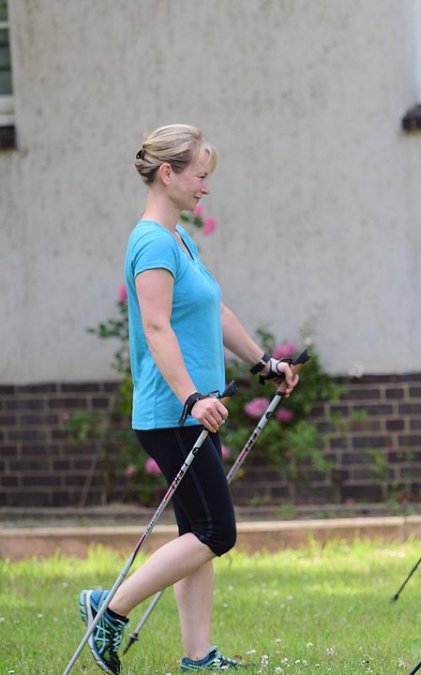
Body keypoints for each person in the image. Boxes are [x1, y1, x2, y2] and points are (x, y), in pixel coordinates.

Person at [76, 124, 300, 674]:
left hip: (193, 410)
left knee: (195, 534)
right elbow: (155, 327)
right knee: (215, 532)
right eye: (200, 175)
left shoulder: (178, 239)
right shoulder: (152, 241)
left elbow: (213, 312)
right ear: (168, 173)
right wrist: (193, 397)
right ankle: (110, 607)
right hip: (174, 412)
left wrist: (262, 362)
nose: (205, 186)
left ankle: (198, 657)